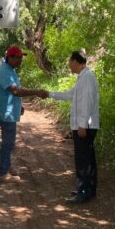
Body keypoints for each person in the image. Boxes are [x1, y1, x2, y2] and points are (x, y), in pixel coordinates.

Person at [40, 50, 99, 204]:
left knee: (82, 159)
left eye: (69, 62)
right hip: (86, 125)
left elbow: (86, 102)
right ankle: (88, 188)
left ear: (76, 61)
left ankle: (83, 191)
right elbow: (69, 95)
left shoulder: (86, 78)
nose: (68, 65)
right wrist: (49, 94)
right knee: (88, 157)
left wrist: (82, 125)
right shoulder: (83, 78)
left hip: (85, 126)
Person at [0, 45, 45, 182]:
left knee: (8, 143)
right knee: (8, 143)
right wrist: (36, 92)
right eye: (18, 58)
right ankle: (3, 173)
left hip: (9, 111)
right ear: (9, 58)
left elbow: (13, 93)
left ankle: (5, 167)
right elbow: (15, 91)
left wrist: (20, 105)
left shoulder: (10, 70)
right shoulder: (5, 72)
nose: (20, 60)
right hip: (6, 114)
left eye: (21, 58)